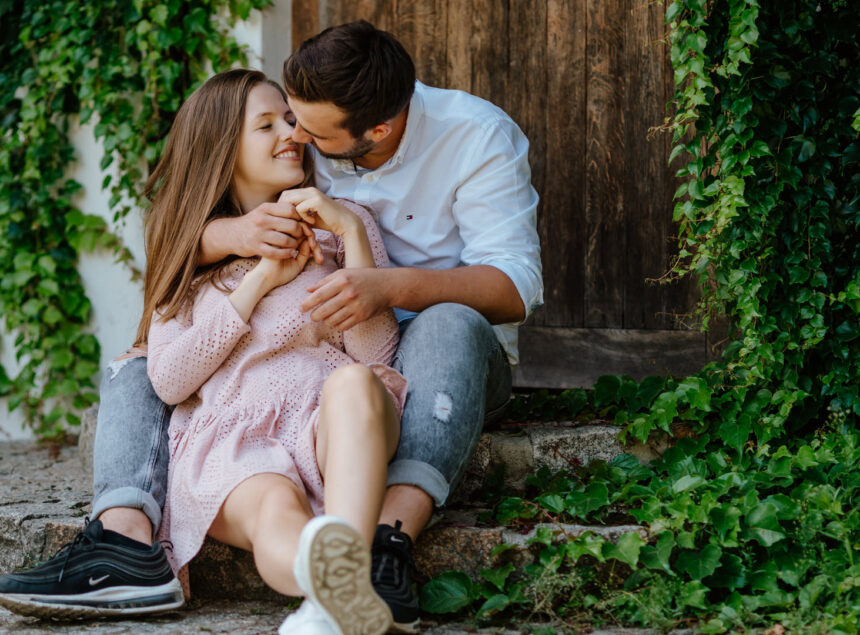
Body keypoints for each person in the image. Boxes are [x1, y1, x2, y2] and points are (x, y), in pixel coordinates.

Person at [0, 19, 543, 631]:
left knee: (370, 377)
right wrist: (245, 255)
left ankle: (372, 558)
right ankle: (130, 541)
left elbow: (408, 336)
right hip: (241, 438)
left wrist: (360, 252)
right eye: (279, 121)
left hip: (378, 383)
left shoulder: (462, 144)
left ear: (377, 131)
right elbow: (171, 356)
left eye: (303, 125)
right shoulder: (230, 239)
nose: (296, 134)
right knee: (144, 376)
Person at [1, 69, 406, 635]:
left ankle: (328, 603)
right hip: (234, 438)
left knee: (356, 385)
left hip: (332, 421)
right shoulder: (193, 259)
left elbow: (376, 352)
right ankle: (330, 593)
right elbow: (168, 379)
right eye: (264, 125)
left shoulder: (346, 225)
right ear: (223, 150)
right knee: (273, 511)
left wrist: (353, 240)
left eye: (289, 119)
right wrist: (260, 279)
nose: (289, 133)